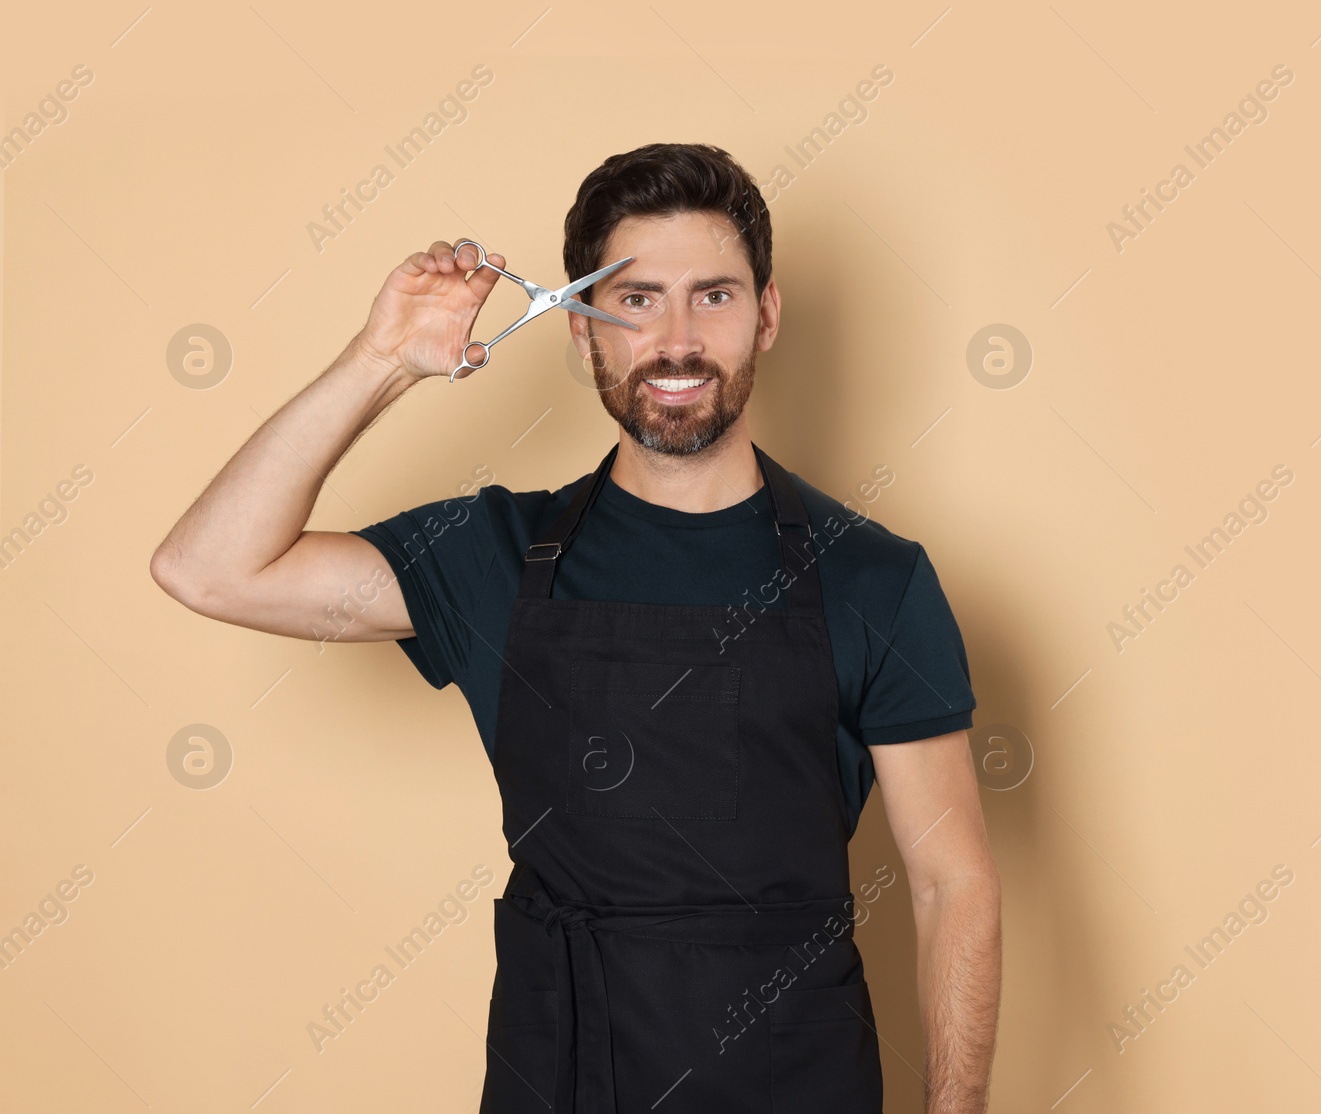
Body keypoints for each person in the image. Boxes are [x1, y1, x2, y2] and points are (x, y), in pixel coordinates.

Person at [151, 142, 1001, 1113]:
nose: (676, 338)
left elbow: (951, 886)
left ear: (767, 315)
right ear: (580, 329)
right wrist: (379, 362)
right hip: (557, 1080)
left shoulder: (874, 580)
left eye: (712, 295)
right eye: (635, 300)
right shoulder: (490, 556)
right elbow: (208, 566)